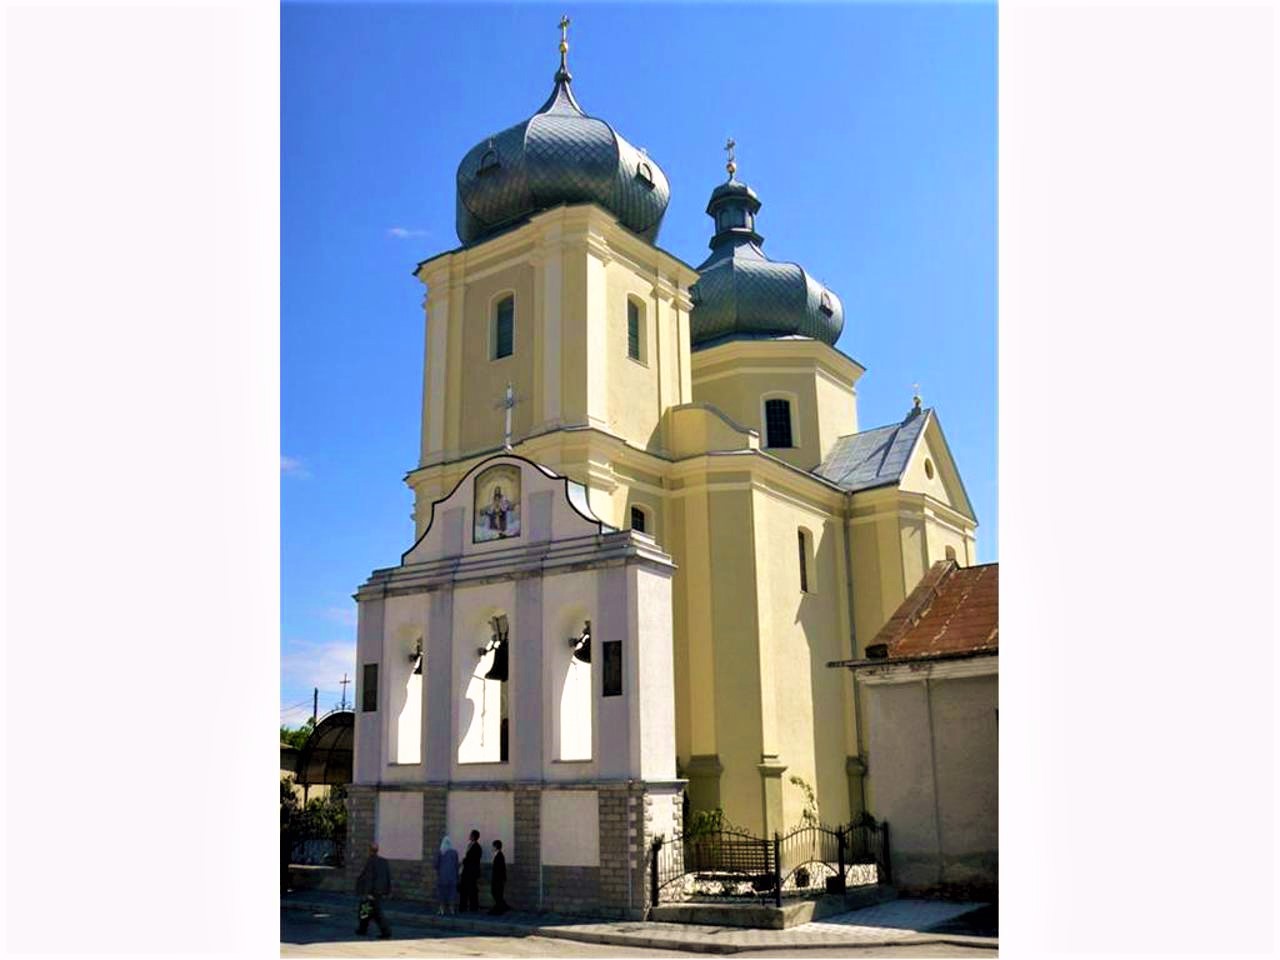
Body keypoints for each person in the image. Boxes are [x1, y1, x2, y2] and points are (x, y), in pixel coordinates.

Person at [354, 842, 392, 939]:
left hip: (372, 892)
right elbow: (387, 877)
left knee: (376, 913)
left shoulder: (371, 861)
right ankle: (362, 928)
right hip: (380, 891)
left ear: (369, 850)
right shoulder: (383, 861)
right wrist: (387, 891)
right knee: (365, 910)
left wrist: (367, 893)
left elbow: (369, 878)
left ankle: (386, 932)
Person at [435, 835, 460, 915]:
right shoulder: (454, 852)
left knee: (442, 892)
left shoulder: (440, 852)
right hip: (452, 876)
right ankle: (452, 909)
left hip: (442, 877)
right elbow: (456, 865)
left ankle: (442, 909)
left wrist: (439, 870)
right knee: (452, 893)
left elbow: (436, 864)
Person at [459, 829, 482, 913]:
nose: (469, 836)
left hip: (471, 872)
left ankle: (473, 907)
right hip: (466, 871)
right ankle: (463, 907)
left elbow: (473, 860)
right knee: (463, 889)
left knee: (472, 890)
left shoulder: (477, 847)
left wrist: (464, 860)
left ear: (473, 836)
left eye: (470, 835)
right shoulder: (470, 845)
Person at [488, 839, 509, 915]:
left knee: (497, 893)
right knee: (496, 893)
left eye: (493, 846)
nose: (492, 848)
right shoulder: (497, 855)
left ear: (496, 846)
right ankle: (502, 907)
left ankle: (500, 909)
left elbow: (500, 869)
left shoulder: (499, 855)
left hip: (498, 879)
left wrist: (501, 879)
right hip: (497, 879)